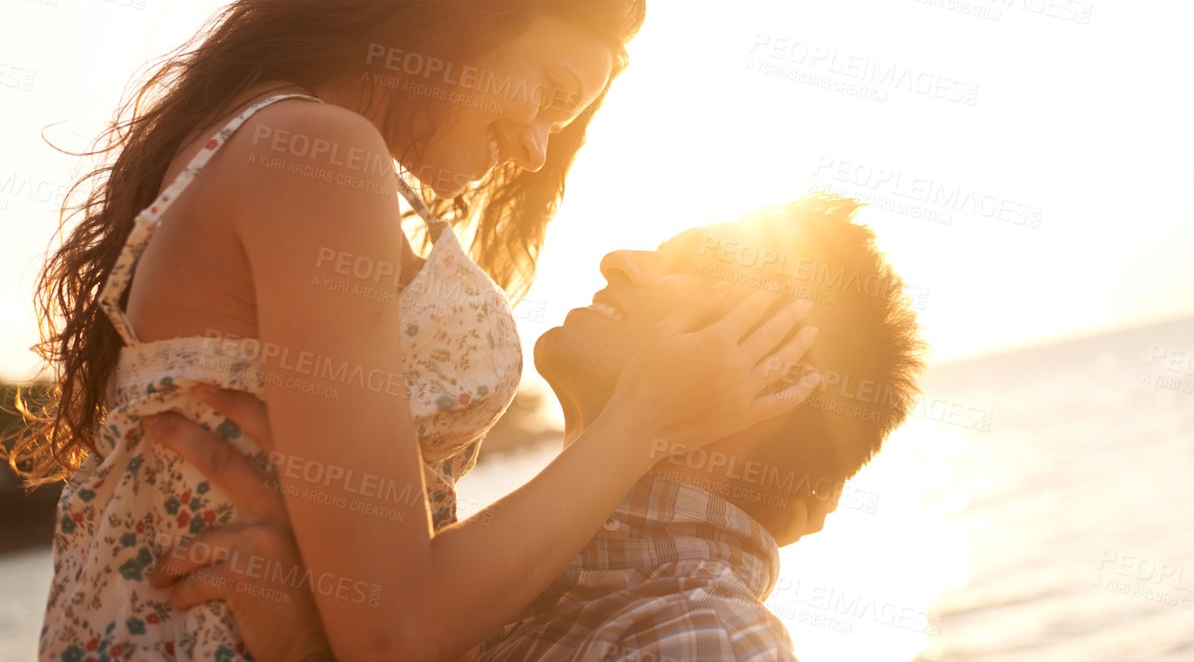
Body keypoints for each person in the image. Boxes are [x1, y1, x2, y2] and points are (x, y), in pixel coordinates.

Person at [16, 0, 823, 662]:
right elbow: (395, 632)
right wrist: (643, 420)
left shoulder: (271, 143)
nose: (535, 145)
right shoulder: (319, 156)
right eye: (547, 89)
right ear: (459, 9)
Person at [144, 194, 928, 662]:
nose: (621, 258)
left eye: (703, 267)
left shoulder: (703, 636)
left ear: (776, 373)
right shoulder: (505, 594)